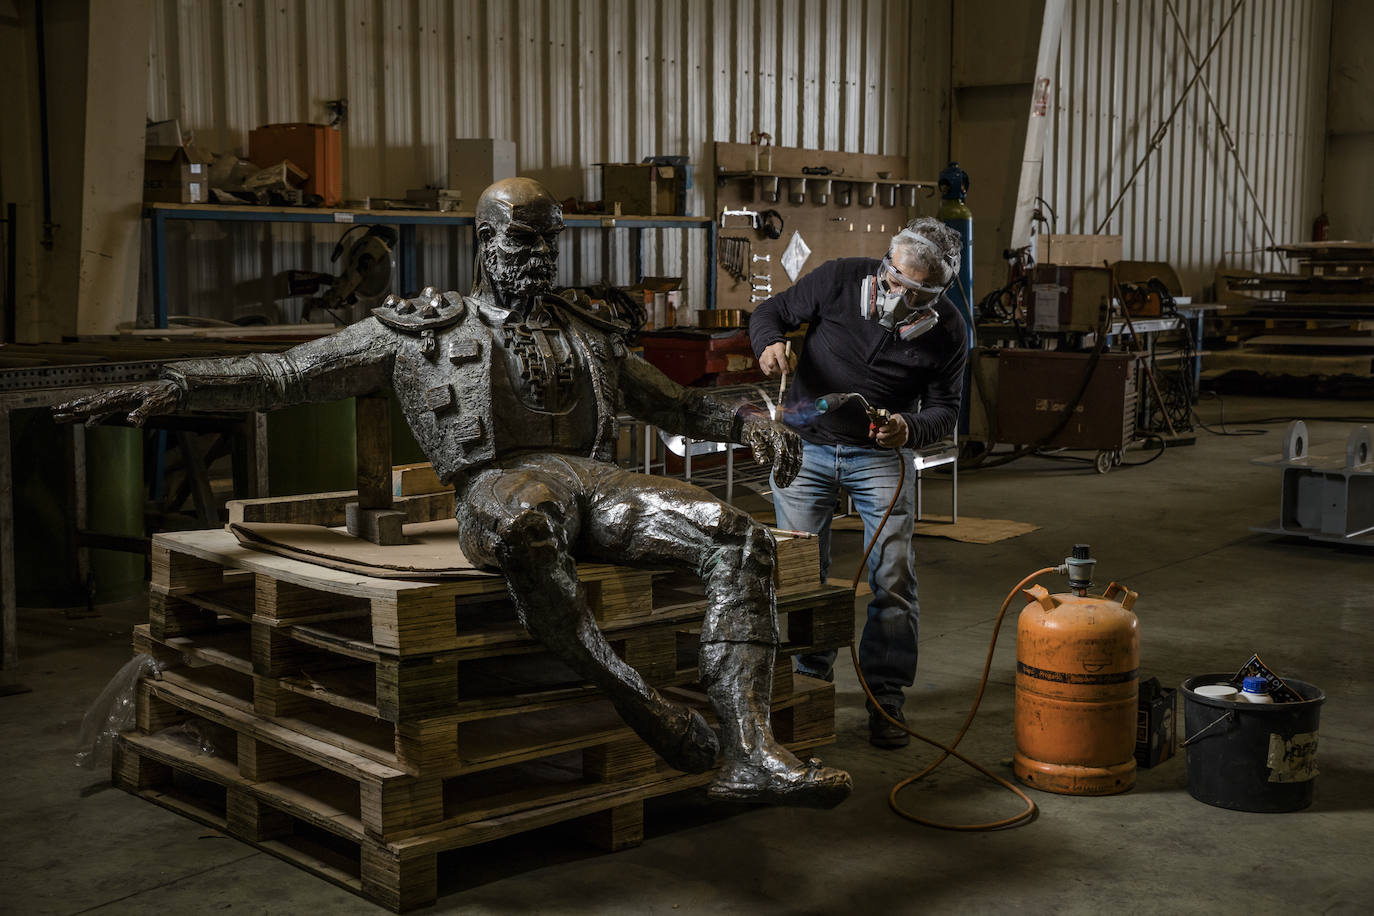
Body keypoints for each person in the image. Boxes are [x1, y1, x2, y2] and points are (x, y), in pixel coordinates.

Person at [56, 178, 851, 808]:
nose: (538, 259)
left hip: (601, 481)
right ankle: (637, 698)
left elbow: (676, 404)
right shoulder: (420, 331)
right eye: (520, 241)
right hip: (498, 484)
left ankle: (750, 753)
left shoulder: (584, 329)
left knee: (734, 532)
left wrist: (748, 420)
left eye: (550, 243)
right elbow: (283, 375)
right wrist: (176, 383)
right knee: (526, 524)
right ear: (483, 241)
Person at [749, 218, 967, 749]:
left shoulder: (949, 331)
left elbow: (946, 412)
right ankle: (809, 684)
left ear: (939, 293)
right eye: (892, 280)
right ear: (884, 264)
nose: (896, 297)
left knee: (893, 576)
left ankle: (886, 696)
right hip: (807, 445)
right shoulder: (840, 279)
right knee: (803, 574)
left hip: (879, 458)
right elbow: (770, 311)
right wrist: (770, 343)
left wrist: (908, 428)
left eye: (915, 294)